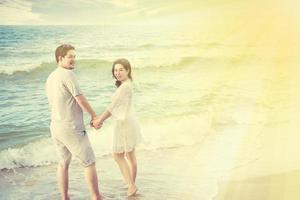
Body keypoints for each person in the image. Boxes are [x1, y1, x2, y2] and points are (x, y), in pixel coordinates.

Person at [46, 44, 102, 200]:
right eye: (70, 56)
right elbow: (80, 99)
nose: (73, 60)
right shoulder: (68, 75)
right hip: (70, 127)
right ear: (60, 58)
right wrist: (94, 116)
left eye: (74, 56)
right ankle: (96, 196)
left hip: (56, 126)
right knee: (89, 161)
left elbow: (53, 102)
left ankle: (65, 198)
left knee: (63, 163)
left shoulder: (51, 77)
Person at [92, 58, 142, 197]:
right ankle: (131, 184)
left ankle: (131, 185)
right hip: (129, 121)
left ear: (128, 70)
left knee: (117, 155)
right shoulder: (127, 84)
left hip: (124, 123)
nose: (118, 73)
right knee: (130, 155)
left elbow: (111, 108)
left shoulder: (124, 87)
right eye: (115, 70)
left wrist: (98, 121)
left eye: (121, 69)